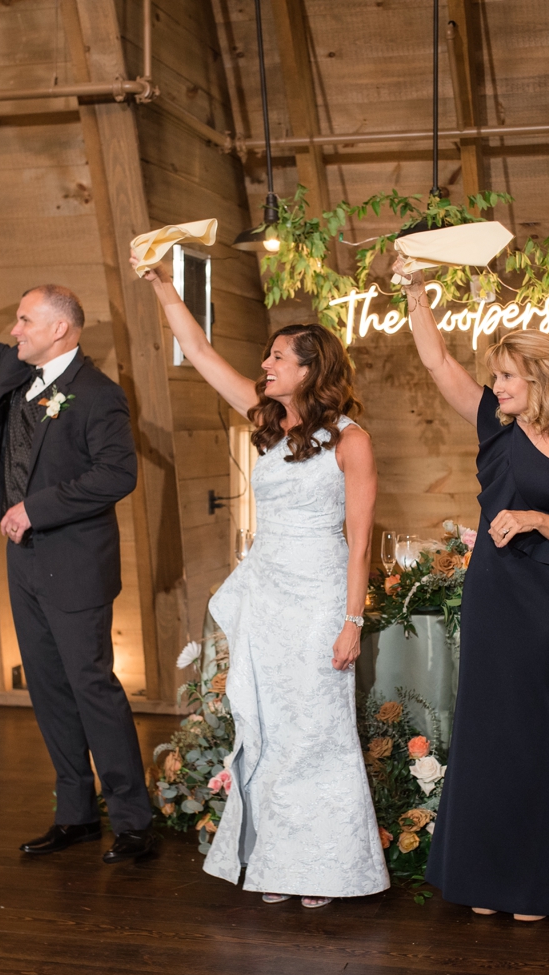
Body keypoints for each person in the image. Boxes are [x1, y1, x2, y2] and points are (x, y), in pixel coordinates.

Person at [134, 249, 388, 908]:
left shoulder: (351, 441)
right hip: (269, 597)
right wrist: (163, 285)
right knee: (267, 725)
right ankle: (276, 855)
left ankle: (323, 867)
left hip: (320, 597)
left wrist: (352, 620)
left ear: (313, 370)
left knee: (316, 731)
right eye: (269, 356)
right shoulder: (268, 419)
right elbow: (197, 347)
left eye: (280, 358)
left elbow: (360, 542)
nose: (266, 365)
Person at [0, 218, 154, 863]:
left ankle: (135, 820)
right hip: (25, 565)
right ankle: (76, 812)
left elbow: (119, 473)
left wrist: (36, 508)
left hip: (76, 562)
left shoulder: (97, 395)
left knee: (92, 686)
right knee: (47, 687)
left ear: (59, 328)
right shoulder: (13, 372)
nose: (14, 330)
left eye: (25, 320)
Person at [402, 262, 549, 921]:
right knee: (485, 728)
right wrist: (412, 286)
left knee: (530, 728)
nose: (496, 386)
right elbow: (435, 359)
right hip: (493, 591)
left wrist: (537, 519)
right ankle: (480, 879)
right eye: (495, 378)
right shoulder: (494, 421)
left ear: (539, 377)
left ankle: (529, 883)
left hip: (546, 597)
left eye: (506, 376)